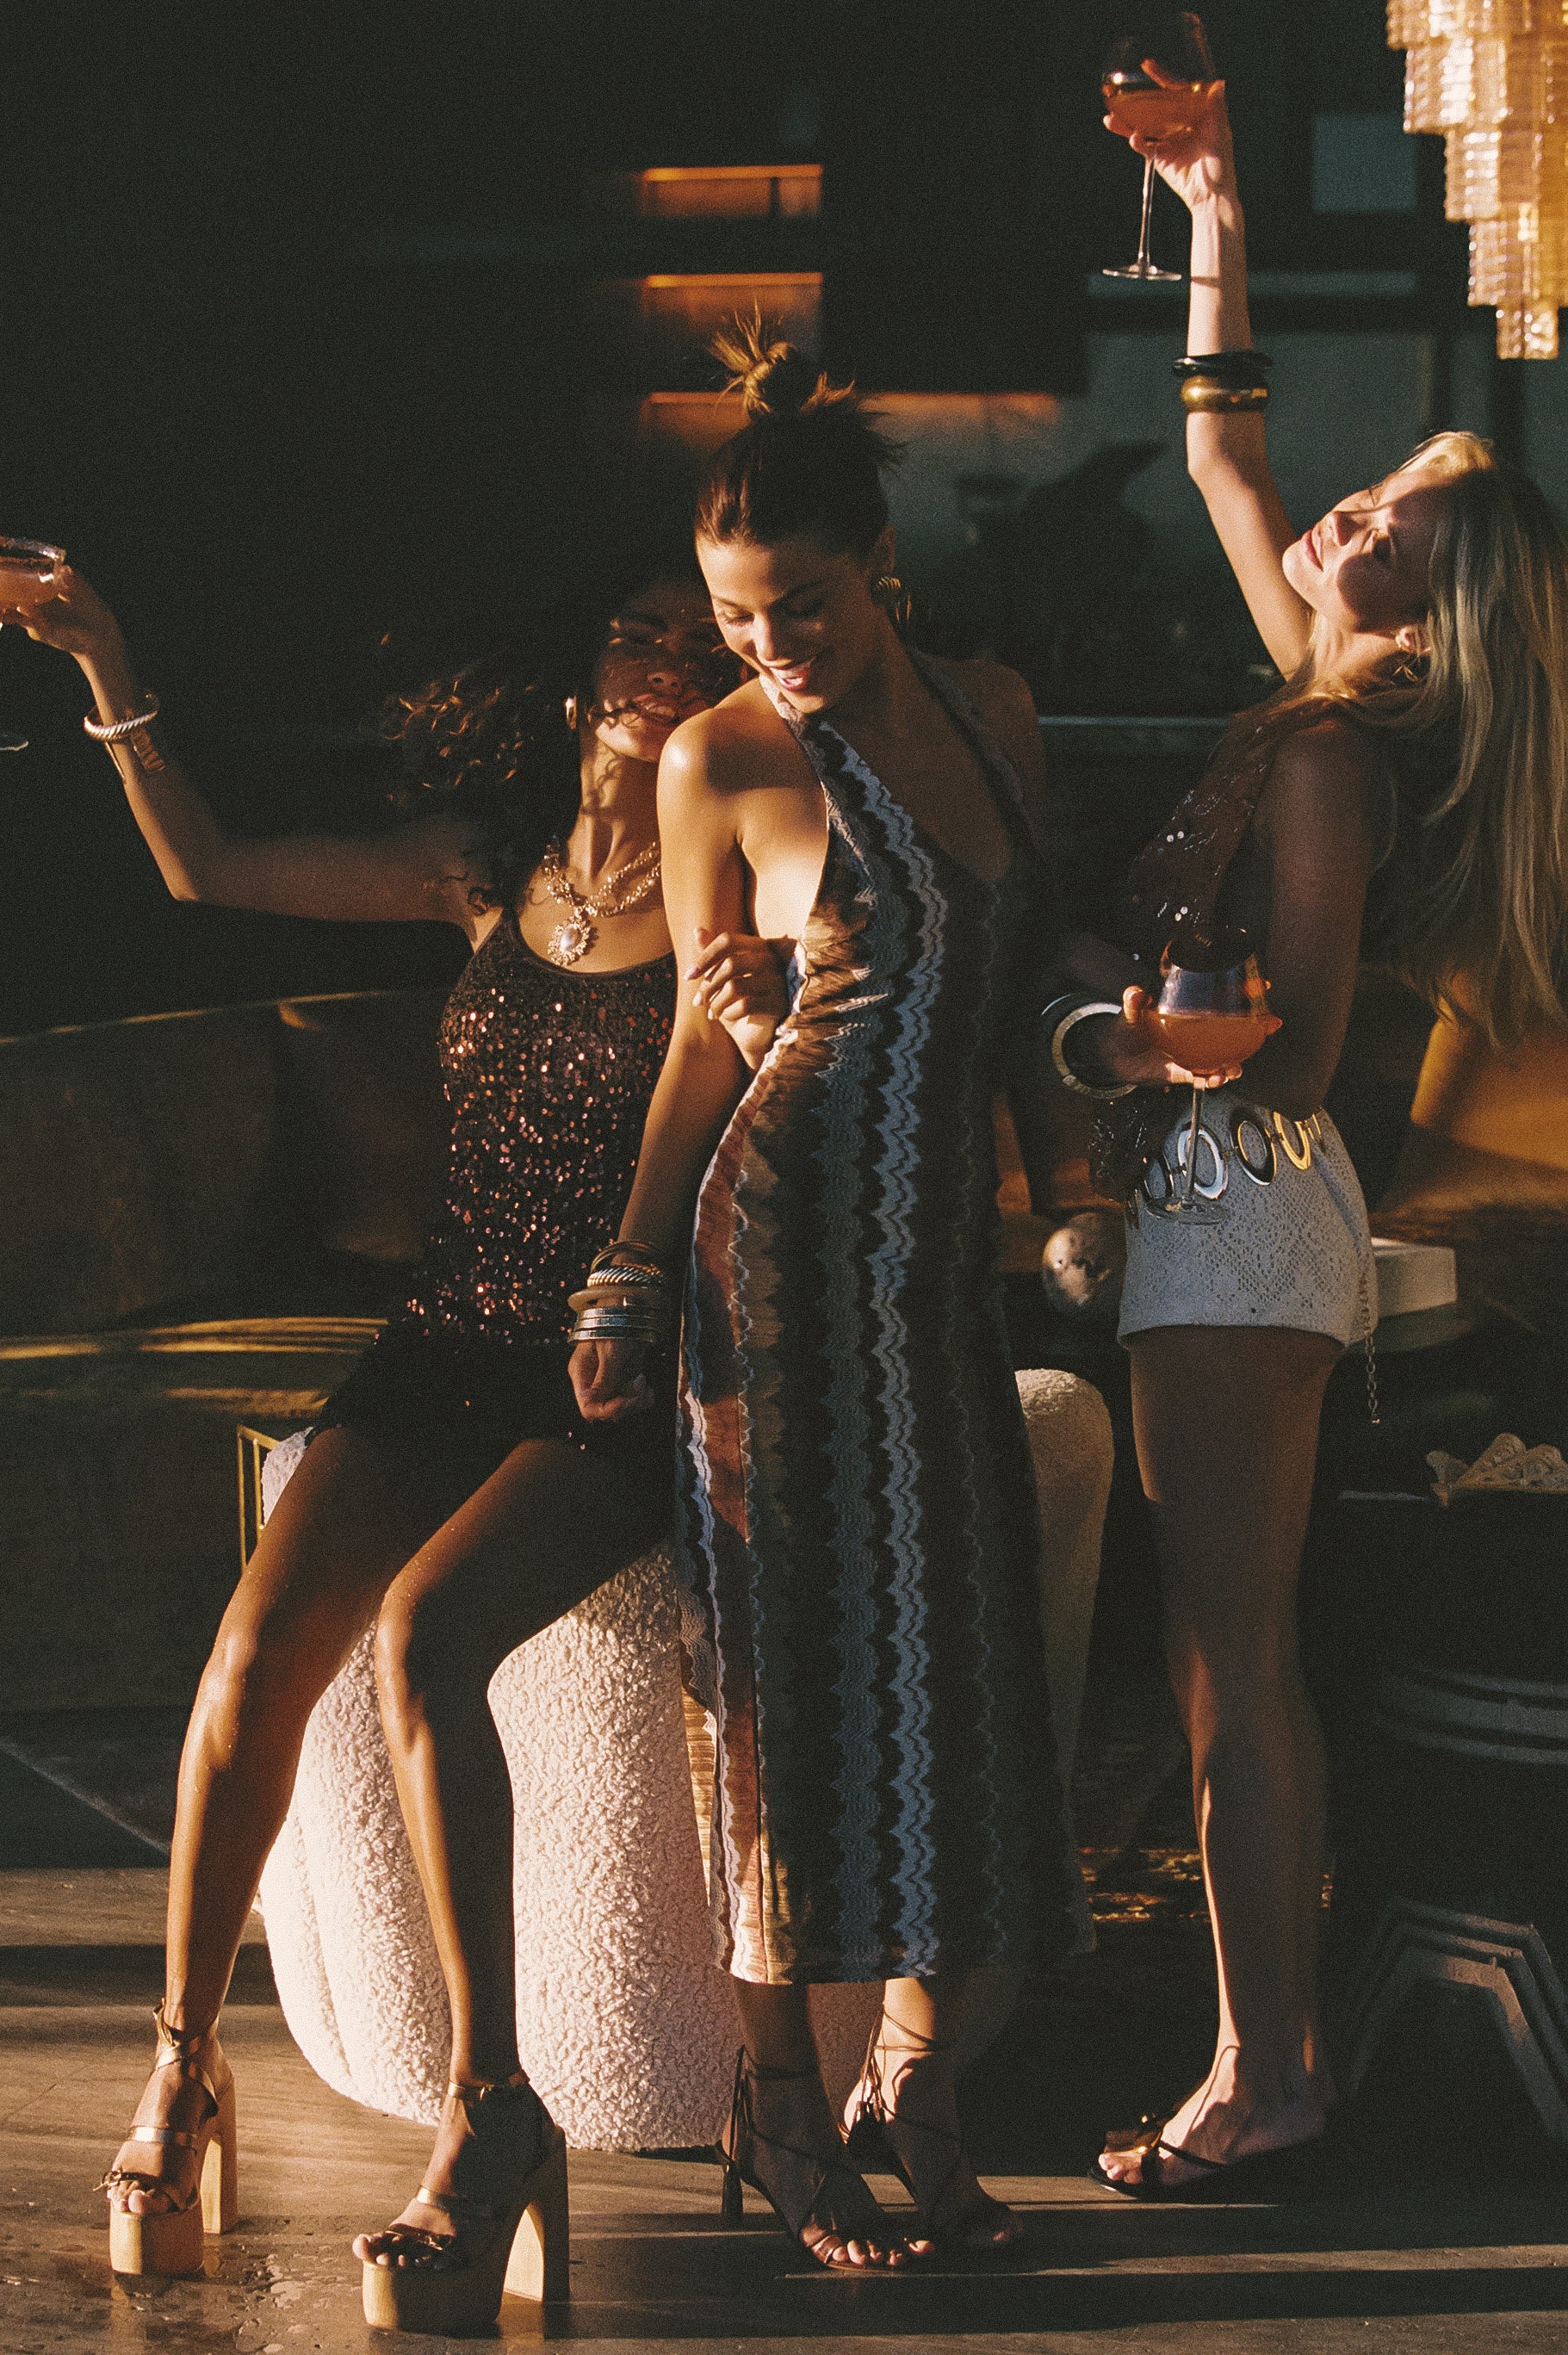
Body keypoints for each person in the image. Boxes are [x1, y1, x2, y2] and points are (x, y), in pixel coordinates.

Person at [0, 557, 787, 2328]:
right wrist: (108, 662)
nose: (662, 662)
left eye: (697, 644)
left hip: (624, 1368)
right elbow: (205, 865)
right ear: (579, 666)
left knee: (428, 1635)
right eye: (637, 630)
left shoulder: (732, 891)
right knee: (252, 1660)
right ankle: (184, 2065)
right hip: (448, 1338)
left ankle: (490, 2109)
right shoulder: (486, 866)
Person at [565, 322, 1220, 2269]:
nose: (772, 646)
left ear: (881, 565)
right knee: (783, 1689)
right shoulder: (719, 757)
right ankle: (780, 2110)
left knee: (965, 1672)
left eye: (806, 606)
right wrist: (627, 1266)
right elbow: (704, 1042)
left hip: (936, 1271)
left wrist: (1079, 1178)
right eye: (735, 616)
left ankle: (916, 2085)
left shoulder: (995, 712)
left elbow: (1023, 980)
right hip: (774, 1256)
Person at [1053, 74, 1568, 2198]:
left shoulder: (1343, 749)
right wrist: (1216, 212)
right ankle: (1267, 2043)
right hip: (1236, 1220)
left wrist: (1108, 1027)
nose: (1341, 515)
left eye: (1389, 532)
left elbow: (1289, 1055)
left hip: (1249, 1211)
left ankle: (1267, 2071)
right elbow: (1220, 450)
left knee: (1230, 1660)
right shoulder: (1323, 697)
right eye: (1368, 500)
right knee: (1223, 1651)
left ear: (1427, 622)